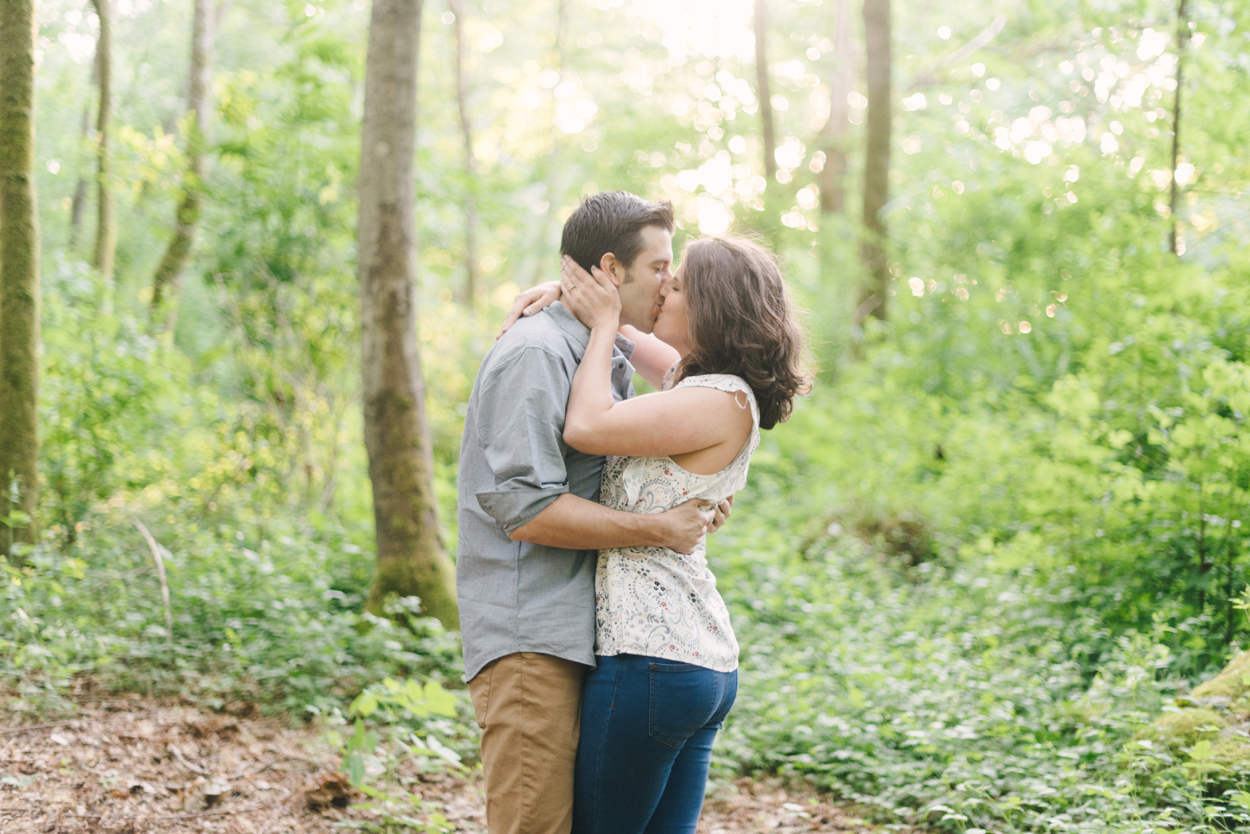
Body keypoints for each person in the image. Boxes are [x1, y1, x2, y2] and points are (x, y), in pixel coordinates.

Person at [456, 191, 732, 834]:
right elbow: (525, 512)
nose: (670, 282)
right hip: (532, 634)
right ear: (611, 270)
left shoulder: (600, 353)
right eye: (660, 267)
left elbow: (694, 386)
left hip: (589, 635)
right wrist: (658, 529)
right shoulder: (536, 353)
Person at [531, 235, 810, 833]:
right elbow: (639, 345)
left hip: (651, 656)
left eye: (677, 283)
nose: (663, 288)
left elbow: (586, 424)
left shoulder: (717, 399)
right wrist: (568, 296)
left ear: (711, 307)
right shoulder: (708, 385)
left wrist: (603, 321)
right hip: (690, 661)